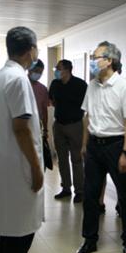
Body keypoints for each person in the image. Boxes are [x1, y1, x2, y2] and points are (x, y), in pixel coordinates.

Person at [0, 26, 45, 253]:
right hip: (19, 165)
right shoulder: (18, 79)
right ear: (31, 50)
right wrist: (36, 168)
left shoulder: (1, 76)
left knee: (12, 230)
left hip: (6, 163)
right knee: (20, 231)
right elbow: (21, 128)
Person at [76, 41, 126, 253]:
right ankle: (89, 239)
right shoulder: (92, 85)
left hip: (116, 145)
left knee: (125, 195)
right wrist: (85, 144)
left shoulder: (124, 87)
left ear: (109, 60)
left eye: (96, 58)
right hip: (94, 146)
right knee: (90, 195)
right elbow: (87, 117)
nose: (92, 62)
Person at [49, 59, 87, 202]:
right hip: (59, 125)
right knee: (62, 159)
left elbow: (86, 105)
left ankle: (80, 191)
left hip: (75, 125)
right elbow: (52, 101)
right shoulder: (55, 84)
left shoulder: (80, 85)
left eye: (58, 69)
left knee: (76, 159)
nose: (56, 71)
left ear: (67, 70)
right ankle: (66, 188)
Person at [28, 59, 52, 170]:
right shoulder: (21, 84)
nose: (38, 74)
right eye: (36, 71)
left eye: (40, 72)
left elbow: (44, 110)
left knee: (38, 154)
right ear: (30, 69)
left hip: (37, 124)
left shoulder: (42, 89)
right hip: (23, 122)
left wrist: (45, 129)